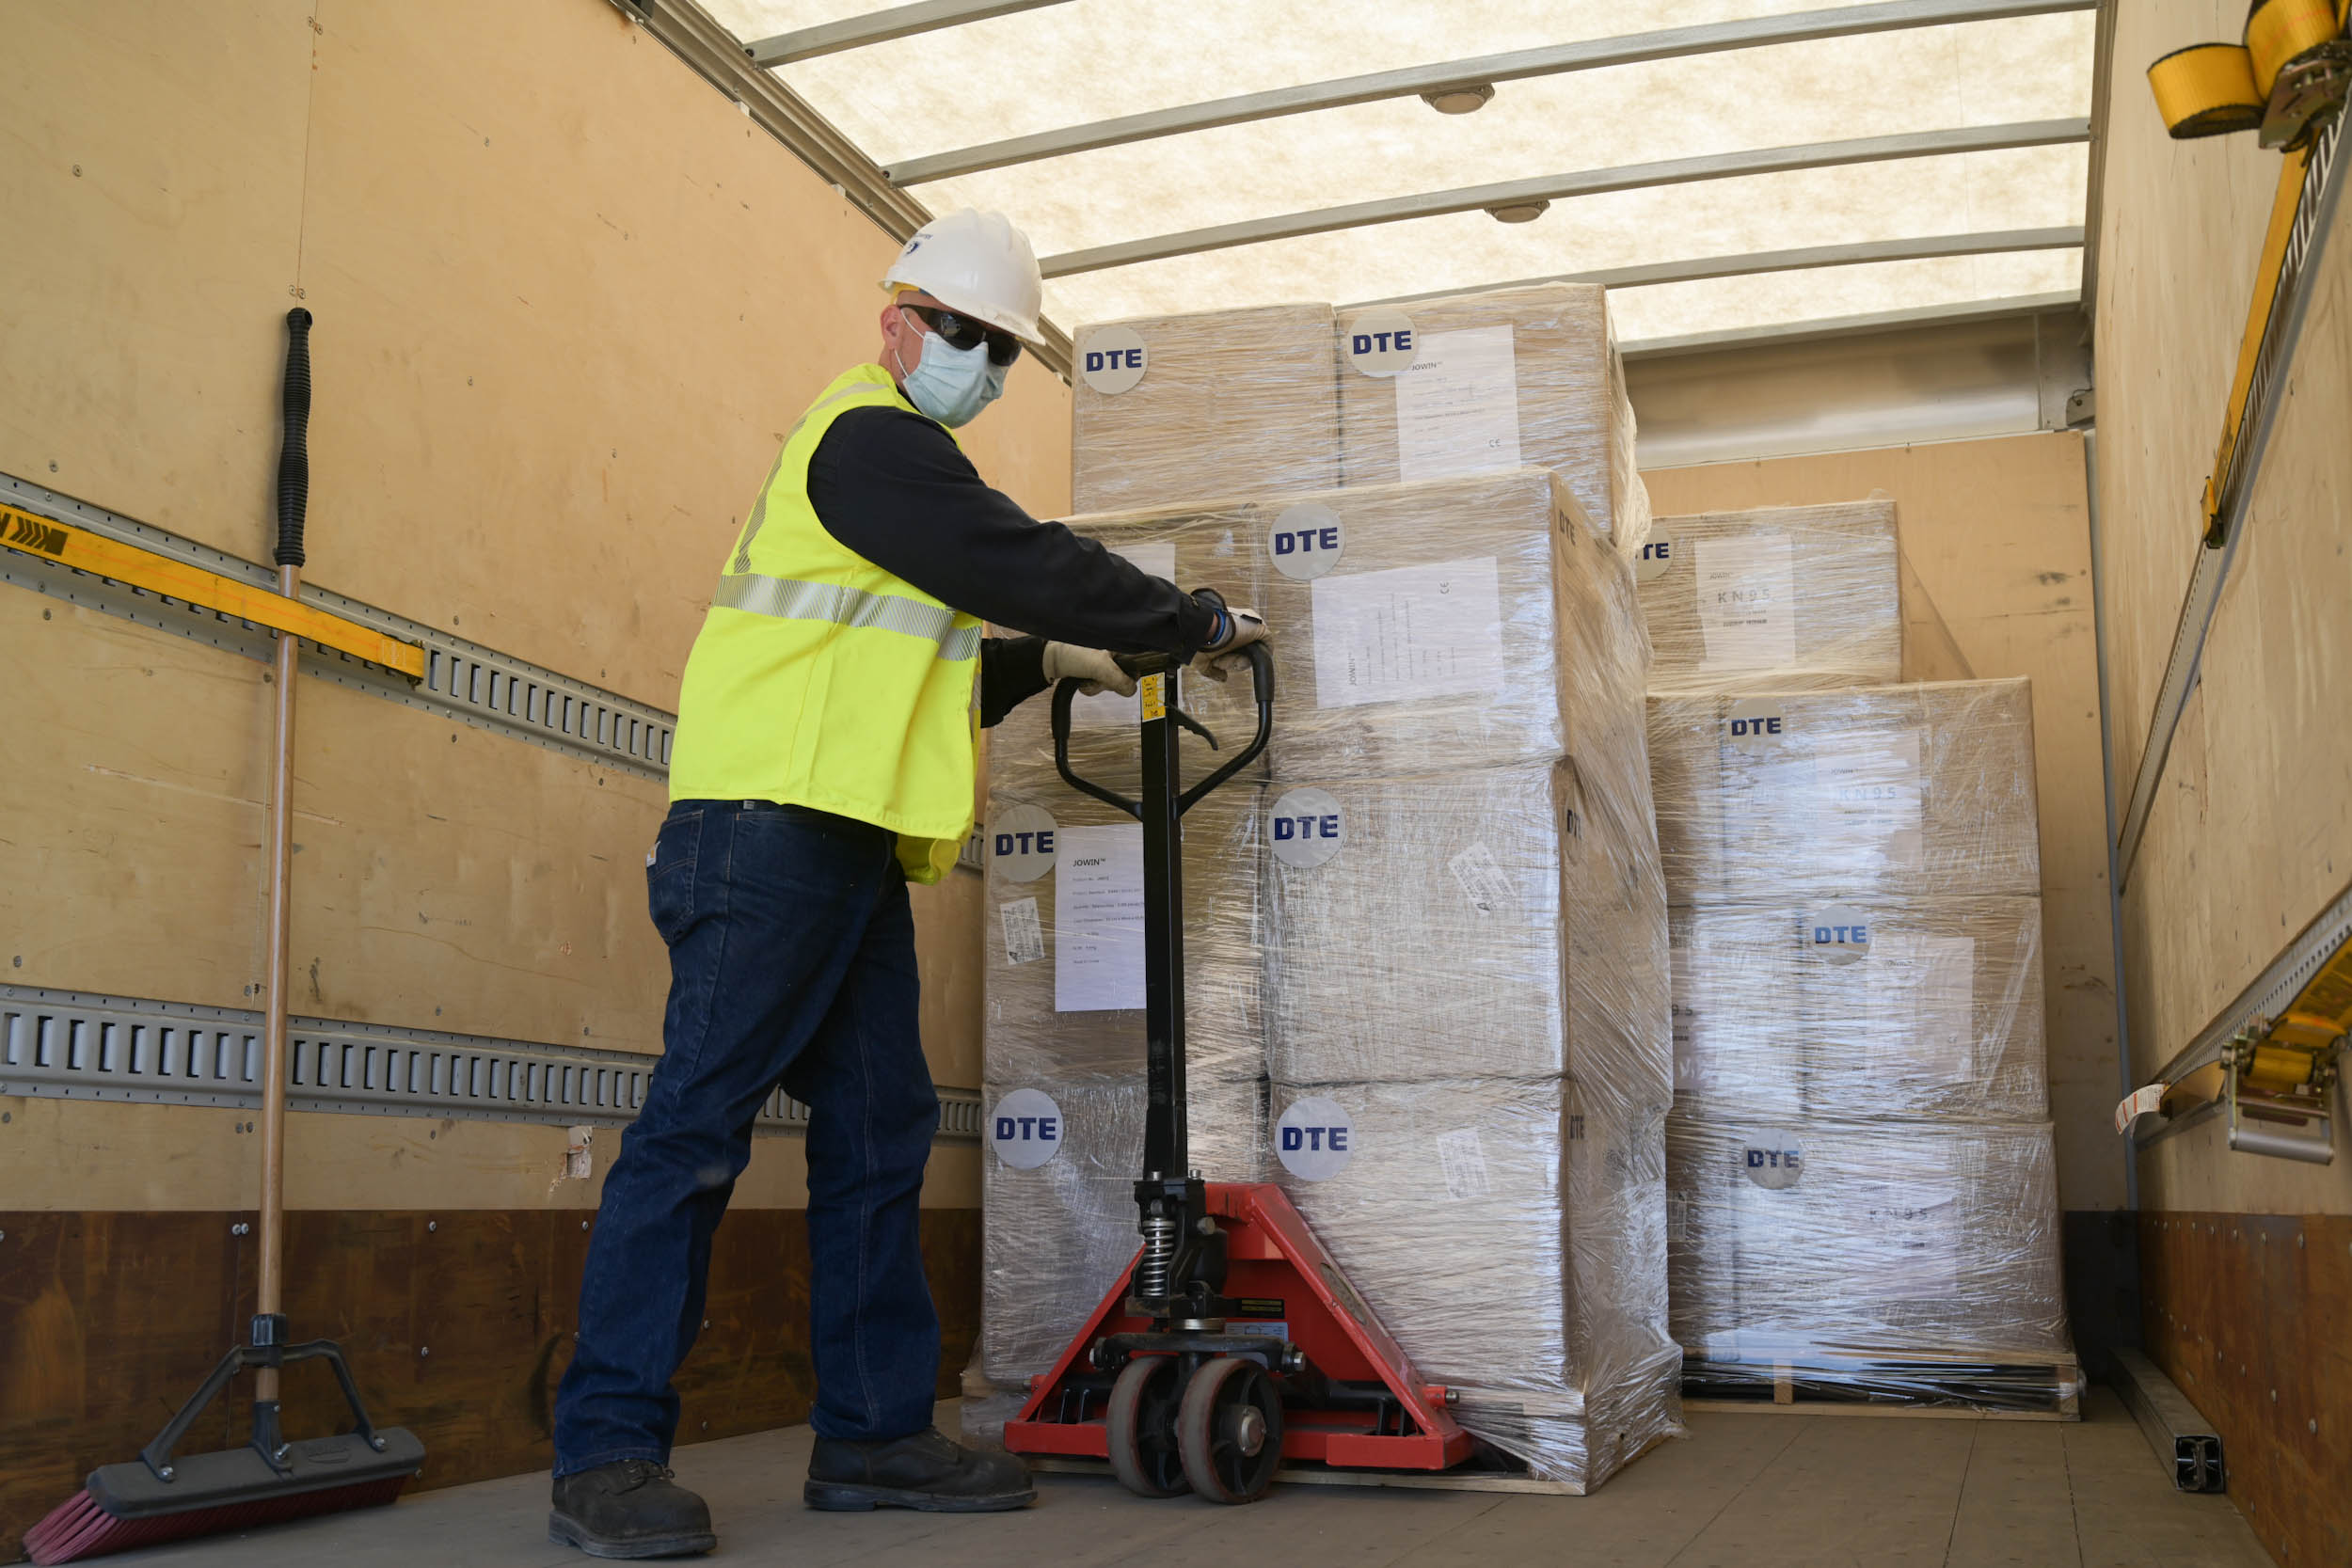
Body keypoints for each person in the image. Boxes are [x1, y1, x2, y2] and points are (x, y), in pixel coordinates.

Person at [547, 209, 1270, 1558]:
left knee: (878, 1138)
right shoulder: (869, 442)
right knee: (694, 1135)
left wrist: (1046, 667)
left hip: (847, 841)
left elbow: (917, 662)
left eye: (1002, 351)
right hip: (766, 836)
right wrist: (1189, 623)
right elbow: (1018, 560)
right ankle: (603, 1455)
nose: (983, 366)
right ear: (897, 321)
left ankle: (874, 1436)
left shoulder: (893, 481)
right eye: (967, 336)